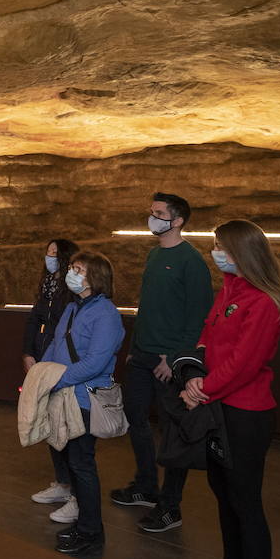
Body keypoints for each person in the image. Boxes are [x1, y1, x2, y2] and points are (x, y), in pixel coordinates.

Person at [180, 220, 280, 559]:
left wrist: (201, 390)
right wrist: (195, 372)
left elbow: (244, 364)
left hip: (245, 414)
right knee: (224, 495)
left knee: (245, 502)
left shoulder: (265, 301)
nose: (216, 253)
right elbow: (207, 334)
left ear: (243, 252)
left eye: (222, 247)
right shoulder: (230, 289)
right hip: (218, 406)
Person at [112, 192, 214, 533]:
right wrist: (135, 347)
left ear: (178, 220)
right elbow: (150, 307)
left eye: (158, 213)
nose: (152, 217)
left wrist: (174, 359)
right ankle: (145, 486)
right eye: (151, 212)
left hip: (169, 362)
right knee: (135, 419)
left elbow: (198, 316)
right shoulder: (155, 256)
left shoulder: (191, 261)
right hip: (142, 356)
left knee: (175, 434)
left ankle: (170, 507)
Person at [40, 251, 124, 558]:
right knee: (72, 462)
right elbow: (55, 342)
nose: (71, 274)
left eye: (78, 270)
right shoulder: (74, 307)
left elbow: (96, 362)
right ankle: (84, 523)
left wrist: (56, 379)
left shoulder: (106, 314)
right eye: (72, 268)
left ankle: (92, 532)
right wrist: (42, 371)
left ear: (95, 278)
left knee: (82, 464)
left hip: (85, 399)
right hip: (65, 396)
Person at [24, 238, 82, 522]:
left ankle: (75, 492)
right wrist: (28, 352)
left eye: (54, 254)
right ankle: (61, 482)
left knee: (66, 425)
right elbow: (35, 319)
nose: (49, 257)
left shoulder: (71, 293)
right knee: (49, 423)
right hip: (42, 358)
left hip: (61, 364)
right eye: (46, 252)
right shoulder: (46, 285)